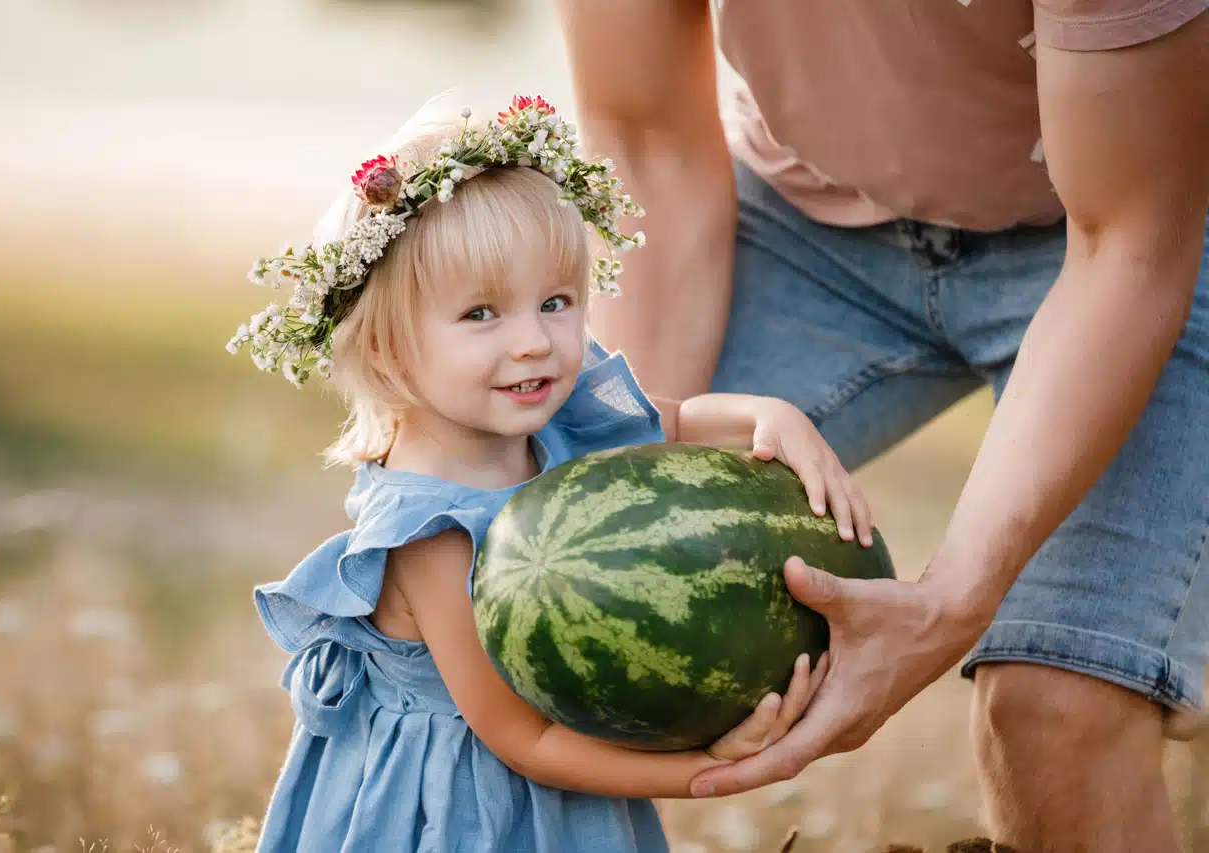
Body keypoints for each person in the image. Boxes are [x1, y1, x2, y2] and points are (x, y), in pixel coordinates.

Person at [555, 1, 1209, 849]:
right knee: (532, 559)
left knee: (1058, 710)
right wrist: (618, 489)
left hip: (1139, 218)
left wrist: (948, 602)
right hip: (810, 224)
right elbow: (646, 138)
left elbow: (1128, 239)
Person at [228, 94, 875, 852]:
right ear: (385, 352)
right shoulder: (428, 533)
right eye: (481, 314)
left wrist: (770, 415)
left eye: (556, 301)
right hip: (466, 804)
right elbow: (522, 738)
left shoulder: (554, 414)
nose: (535, 342)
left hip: (575, 772)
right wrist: (701, 764)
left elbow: (678, 419)